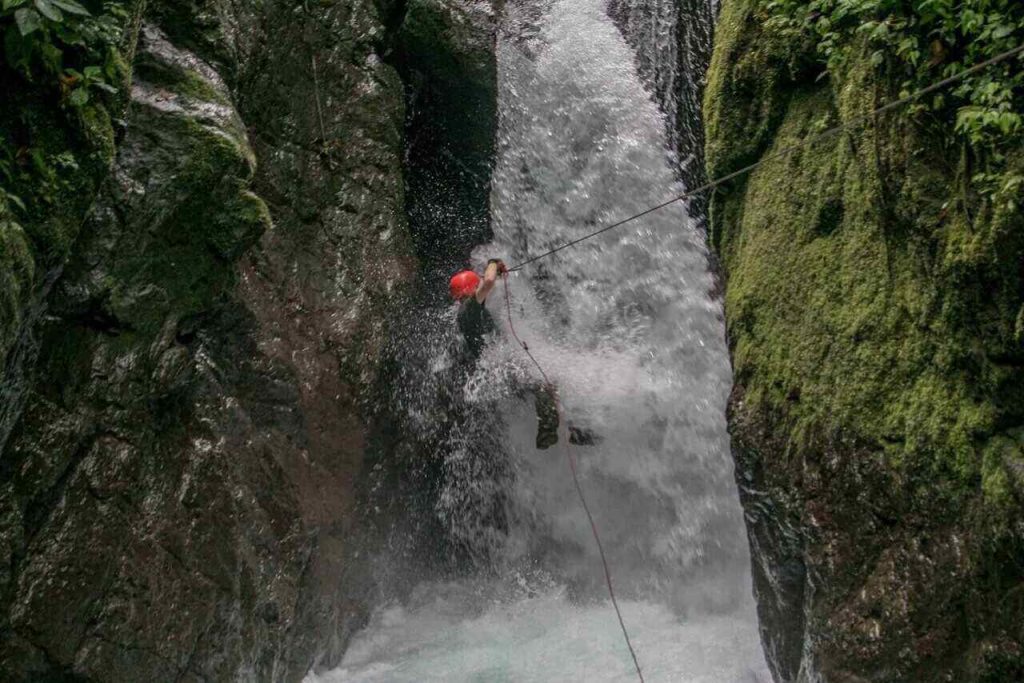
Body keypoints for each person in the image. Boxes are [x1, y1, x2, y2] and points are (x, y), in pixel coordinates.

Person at [450, 258, 561, 449]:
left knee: (550, 385)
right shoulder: (470, 308)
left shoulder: (467, 311)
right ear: (471, 289)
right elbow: (489, 282)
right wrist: (493, 263)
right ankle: (547, 433)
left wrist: (494, 275)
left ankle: (573, 430)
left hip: (497, 368)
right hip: (498, 367)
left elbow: (488, 285)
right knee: (544, 385)